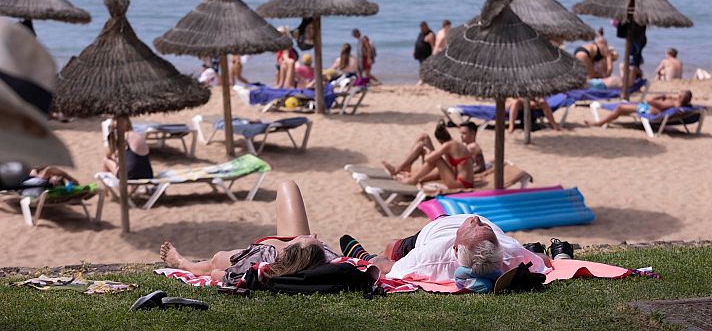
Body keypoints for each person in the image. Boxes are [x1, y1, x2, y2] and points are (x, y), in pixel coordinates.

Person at [160, 181, 339, 281]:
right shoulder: (329, 259)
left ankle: (183, 264)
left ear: (286, 251)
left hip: (271, 253)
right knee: (288, 186)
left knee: (217, 260)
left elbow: (217, 274)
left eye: (311, 238)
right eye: (316, 240)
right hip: (296, 252)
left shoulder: (258, 264)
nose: (315, 235)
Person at [339, 214, 549, 288]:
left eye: (474, 226)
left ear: (455, 248)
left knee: (391, 248)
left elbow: (387, 269)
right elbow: (544, 260)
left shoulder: (429, 259)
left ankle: (364, 256)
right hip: (446, 229)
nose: (475, 219)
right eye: (483, 227)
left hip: (434, 230)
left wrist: (375, 261)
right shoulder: (512, 252)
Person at [382, 121, 476, 189]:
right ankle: (407, 168)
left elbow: (429, 159)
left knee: (435, 158)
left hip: (460, 184)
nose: (460, 136)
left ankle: (411, 177)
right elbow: (449, 166)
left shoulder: (450, 145)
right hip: (460, 180)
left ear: (440, 140)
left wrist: (427, 151)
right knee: (423, 137)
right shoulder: (453, 144)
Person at [585, 90, 693, 127]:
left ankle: (599, 123)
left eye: (679, 94)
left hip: (649, 110)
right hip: (649, 107)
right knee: (622, 108)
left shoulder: (675, 104)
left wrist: (658, 98)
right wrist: (662, 98)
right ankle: (603, 121)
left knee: (620, 108)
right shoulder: (678, 103)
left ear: (680, 96)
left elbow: (652, 102)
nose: (677, 95)